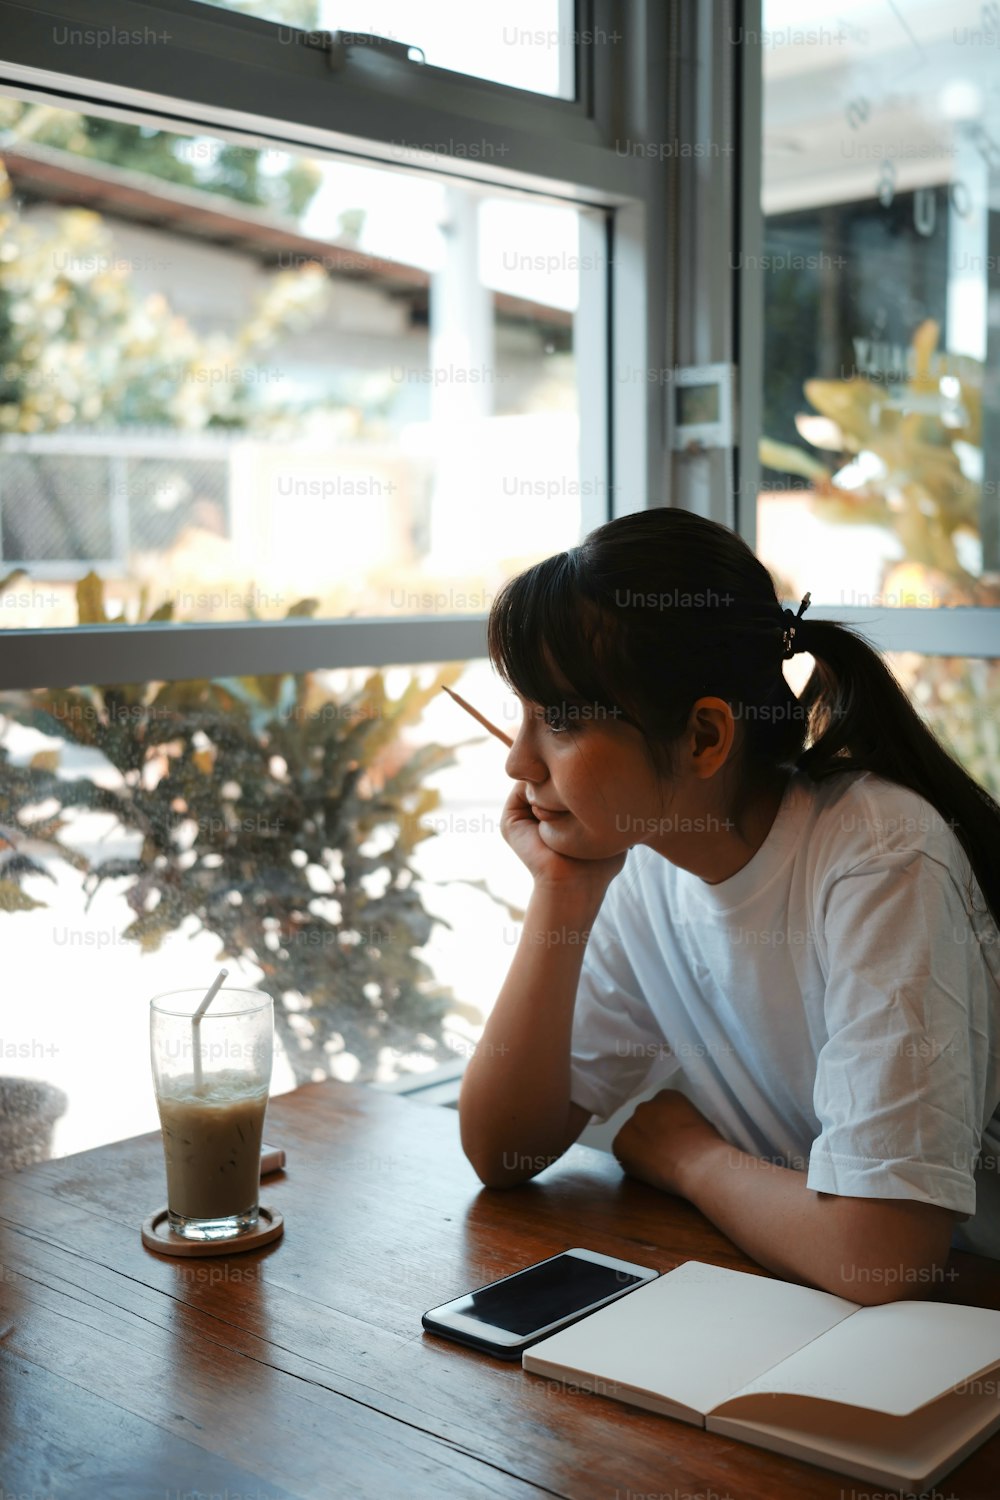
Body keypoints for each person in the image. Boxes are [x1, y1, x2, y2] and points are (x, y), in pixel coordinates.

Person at [458, 508, 1000, 1303]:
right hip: (806, 1297)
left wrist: (687, 1156)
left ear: (706, 739)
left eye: (563, 721)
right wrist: (561, 891)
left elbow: (883, 1254)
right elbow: (503, 1151)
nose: (518, 757)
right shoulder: (643, 863)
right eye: (525, 713)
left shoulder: (877, 854)